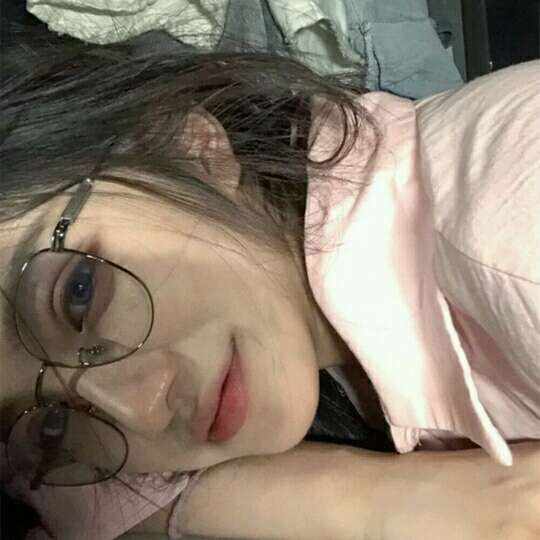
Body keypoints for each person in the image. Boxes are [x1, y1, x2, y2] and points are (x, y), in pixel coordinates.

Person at [1, 21, 539, 540]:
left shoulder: (511, 235)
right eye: (53, 425)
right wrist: (372, 500)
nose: (140, 412)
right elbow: (71, 495)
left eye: (79, 294)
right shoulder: (333, 338)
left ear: (190, 147)